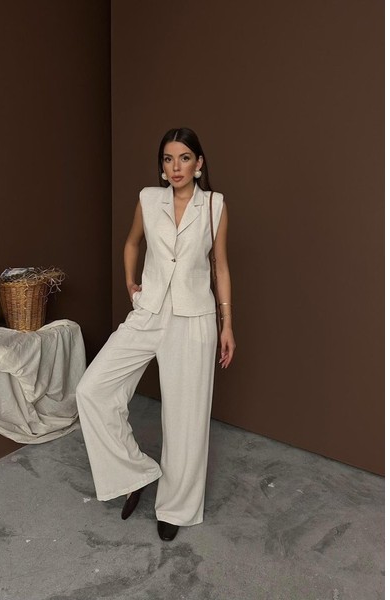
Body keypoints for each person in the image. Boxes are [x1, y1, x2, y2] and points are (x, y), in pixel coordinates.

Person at [76, 127, 236, 541]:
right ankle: (135, 473)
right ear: (162, 167)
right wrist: (131, 285)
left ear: (199, 164)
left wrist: (227, 324)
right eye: (168, 159)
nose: (176, 166)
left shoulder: (215, 205)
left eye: (184, 158)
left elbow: (220, 266)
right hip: (148, 312)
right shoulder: (148, 199)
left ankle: (176, 507)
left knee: (185, 419)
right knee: (92, 389)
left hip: (194, 319)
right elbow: (132, 243)